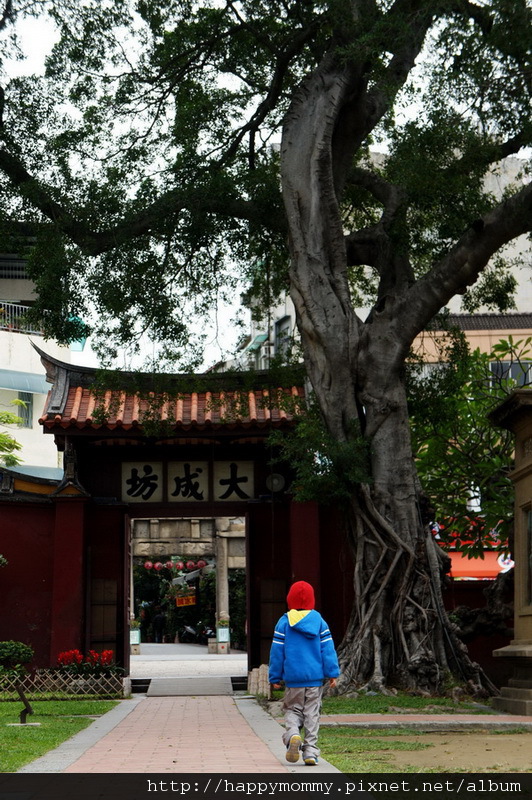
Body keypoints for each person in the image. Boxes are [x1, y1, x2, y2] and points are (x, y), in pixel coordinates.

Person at [268, 580, 340, 766]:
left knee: (292, 709)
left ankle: (292, 734)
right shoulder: (320, 622)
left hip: (293, 679)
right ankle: (310, 751)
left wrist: (274, 677)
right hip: (315, 679)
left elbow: (277, 653)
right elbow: (328, 650)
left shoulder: (283, 623)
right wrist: (332, 673)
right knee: (311, 713)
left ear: (289, 599)